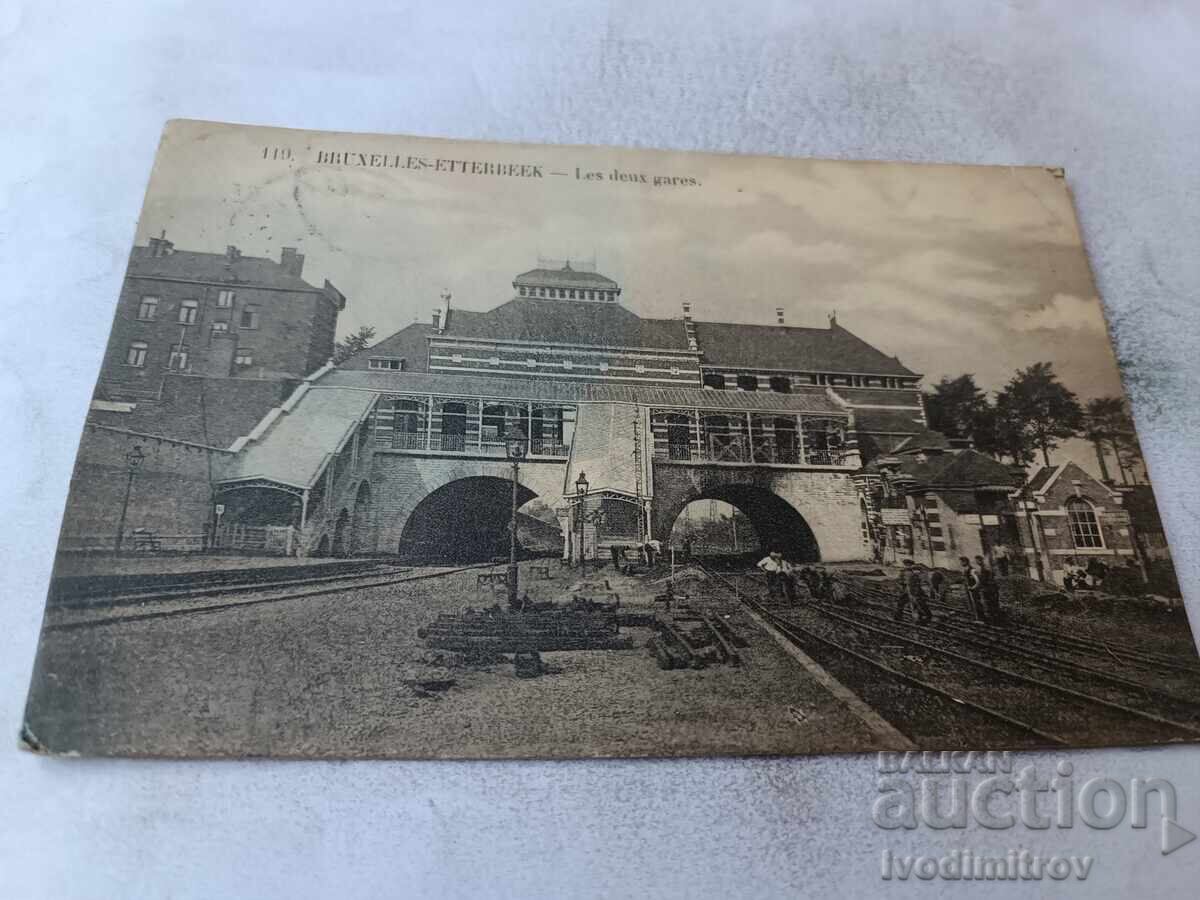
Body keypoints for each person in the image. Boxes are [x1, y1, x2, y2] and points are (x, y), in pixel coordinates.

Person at [895, 559, 932, 624]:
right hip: (907, 590)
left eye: (909, 564)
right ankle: (898, 616)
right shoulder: (904, 571)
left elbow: (923, 583)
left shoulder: (918, 573)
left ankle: (920, 618)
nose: (907, 566)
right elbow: (899, 581)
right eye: (906, 564)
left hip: (914, 591)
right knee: (902, 603)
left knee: (917, 605)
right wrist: (901, 586)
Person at [975, 555, 1001, 623]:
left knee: (989, 603)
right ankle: (995, 618)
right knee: (993, 603)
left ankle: (993, 619)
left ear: (980, 560)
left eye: (977, 561)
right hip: (991, 588)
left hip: (988, 588)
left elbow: (985, 579)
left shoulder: (985, 568)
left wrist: (978, 577)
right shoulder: (985, 567)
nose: (976, 562)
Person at [959, 556, 985, 623]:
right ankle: (975, 618)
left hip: (973, 590)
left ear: (965, 562)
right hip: (968, 590)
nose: (960, 563)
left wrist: (973, 587)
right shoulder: (965, 570)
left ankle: (980, 618)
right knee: (971, 604)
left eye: (961, 562)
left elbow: (978, 581)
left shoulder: (972, 570)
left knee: (976, 603)